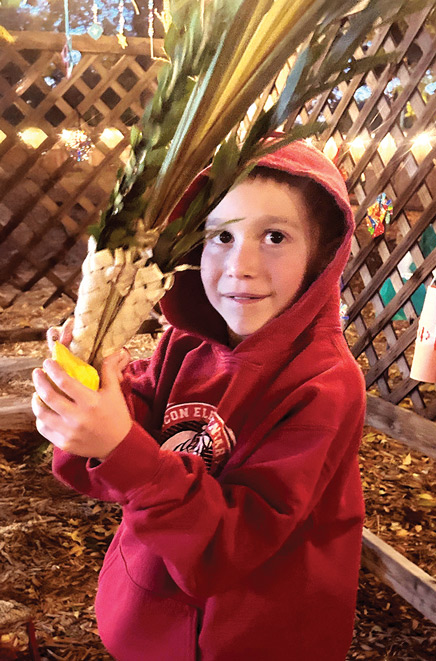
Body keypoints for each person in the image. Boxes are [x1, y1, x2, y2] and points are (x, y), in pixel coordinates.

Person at [32, 139, 366, 661]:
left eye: (275, 236)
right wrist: (91, 400)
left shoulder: (323, 386)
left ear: (322, 257)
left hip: (256, 635)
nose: (241, 265)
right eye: (221, 236)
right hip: (152, 618)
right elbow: (121, 437)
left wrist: (121, 448)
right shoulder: (183, 343)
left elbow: (235, 541)